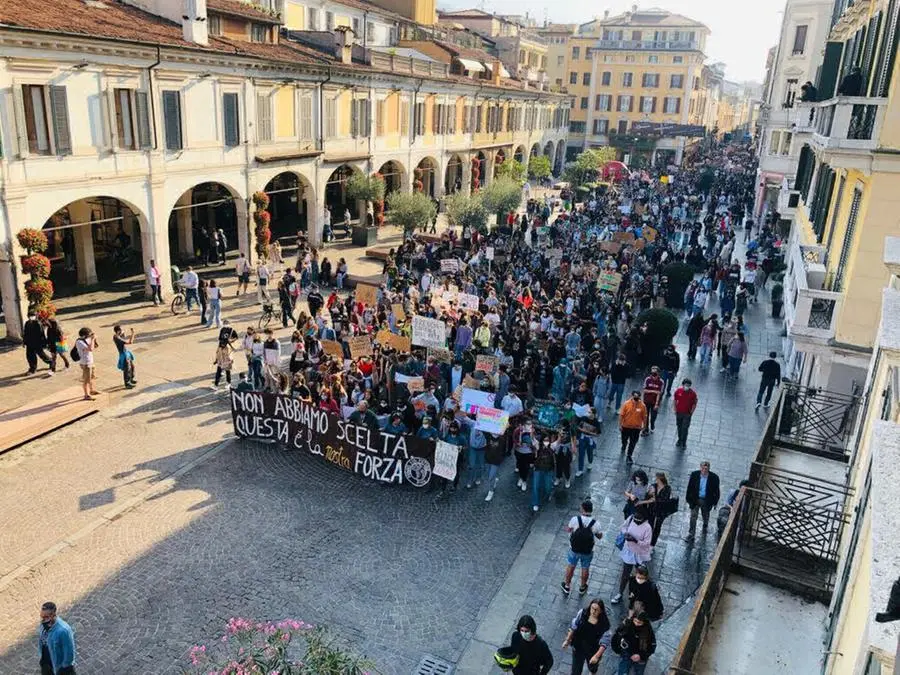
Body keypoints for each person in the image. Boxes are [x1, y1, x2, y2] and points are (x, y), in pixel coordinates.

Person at [562, 499, 604, 596]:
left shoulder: (575, 519)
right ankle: (582, 586)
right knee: (585, 568)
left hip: (574, 549)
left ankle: (567, 586)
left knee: (571, 566)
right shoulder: (596, 523)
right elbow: (600, 536)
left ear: (582, 509)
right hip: (588, 550)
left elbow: (568, 530)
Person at [612, 507, 652, 604]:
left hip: (640, 554)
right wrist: (626, 534)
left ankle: (643, 594)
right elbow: (623, 527)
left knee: (641, 574)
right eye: (635, 518)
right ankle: (620, 593)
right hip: (629, 551)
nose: (636, 521)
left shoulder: (647, 528)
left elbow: (647, 543)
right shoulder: (631, 518)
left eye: (639, 519)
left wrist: (635, 540)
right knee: (625, 574)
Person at [562, 598, 611, 675]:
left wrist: (596, 656)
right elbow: (574, 625)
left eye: (596, 609)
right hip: (578, 645)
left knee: (593, 667)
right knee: (575, 670)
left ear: (601, 611)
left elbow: (605, 642)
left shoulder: (604, 624)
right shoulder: (582, 613)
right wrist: (567, 640)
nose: (593, 611)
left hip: (593, 649)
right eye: (592, 608)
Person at [684, 461, 721, 542]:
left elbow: (717, 491)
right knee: (693, 516)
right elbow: (689, 487)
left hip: (706, 500)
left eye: (706, 468)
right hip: (695, 499)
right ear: (700, 467)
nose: (704, 470)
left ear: (709, 469)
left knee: (705, 515)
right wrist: (688, 499)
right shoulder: (694, 474)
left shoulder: (714, 478)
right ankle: (691, 534)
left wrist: (715, 502)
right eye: (703, 468)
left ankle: (705, 524)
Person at [38, 601, 76, 675]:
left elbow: (69, 654)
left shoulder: (64, 630)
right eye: (42, 617)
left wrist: (63, 669)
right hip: (46, 663)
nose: (43, 620)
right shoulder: (43, 624)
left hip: (60, 668)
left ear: (53, 615)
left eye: (46, 617)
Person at [619, 391, 647, 463]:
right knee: (624, 439)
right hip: (626, 426)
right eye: (635, 397)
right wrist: (620, 425)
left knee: (633, 442)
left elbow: (644, 417)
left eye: (637, 397)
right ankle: (624, 445)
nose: (636, 399)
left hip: (636, 428)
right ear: (632, 396)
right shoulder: (626, 404)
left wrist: (644, 426)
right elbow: (621, 415)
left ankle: (629, 455)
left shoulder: (642, 406)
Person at [74, 327, 99, 401]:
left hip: (90, 361)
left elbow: (95, 346)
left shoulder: (87, 339)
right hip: (85, 363)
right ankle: (86, 395)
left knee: (91, 377)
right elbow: (90, 349)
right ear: (84, 335)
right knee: (86, 380)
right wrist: (93, 339)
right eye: (89, 334)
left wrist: (94, 339)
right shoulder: (79, 342)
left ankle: (91, 390)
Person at [531, 435, 555, 512]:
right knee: (535, 486)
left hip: (548, 470)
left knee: (547, 487)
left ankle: (548, 494)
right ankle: (535, 503)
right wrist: (532, 433)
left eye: (547, 440)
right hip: (538, 469)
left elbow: (558, 442)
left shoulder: (552, 447)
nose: (546, 442)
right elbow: (533, 439)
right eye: (544, 440)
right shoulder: (538, 446)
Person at [672, 378, 697, 448]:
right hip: (679, 412)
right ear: (683, 385)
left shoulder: (693, 394)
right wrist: (675, 409)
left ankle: (684, 442)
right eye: (686, 385)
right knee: (679, 427)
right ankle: (679, 439)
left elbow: (695, 403)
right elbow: (675, 400)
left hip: (687, 414)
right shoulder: (678, 391)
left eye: (688, 385)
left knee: (685, 428)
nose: (687, 387)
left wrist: (691, 412)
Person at [112, 325, 137, 389]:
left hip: (126, 352)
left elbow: (123, 336)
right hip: (123, 354)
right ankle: (127, 383)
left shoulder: (117, 336)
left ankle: (131, 379)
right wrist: (133, 333)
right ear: (118, 331)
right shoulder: (117, 338)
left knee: (132, 367)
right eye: (121, 330)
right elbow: (130, 342)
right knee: (127, 369)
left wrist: (122, 333)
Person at [640, 366, 663, 435]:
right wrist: (653, 391)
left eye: (655, 372)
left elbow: (660, 393)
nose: (653, 374)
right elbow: (644, 390)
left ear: (658, 373)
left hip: (655, 402)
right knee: (645, 415)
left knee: (653, 416)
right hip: (646, 401)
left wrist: (656, 404)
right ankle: (645, 429)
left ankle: (652, 424)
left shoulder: (661, 382)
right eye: (652, 372)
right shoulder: (647, 379)